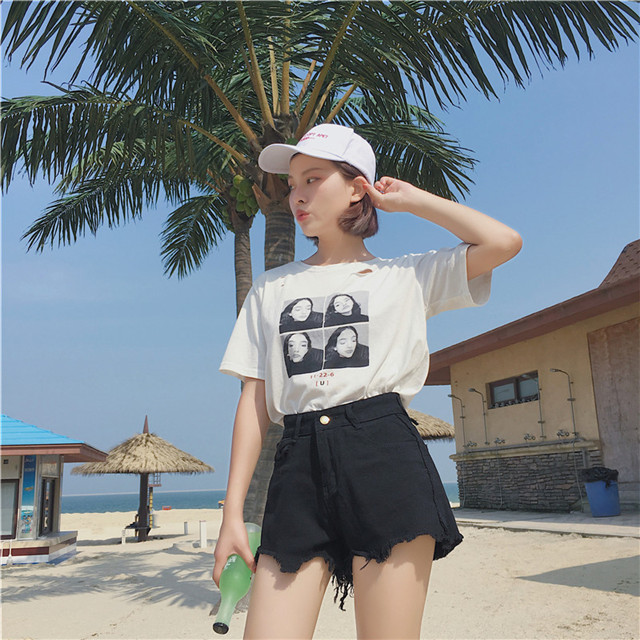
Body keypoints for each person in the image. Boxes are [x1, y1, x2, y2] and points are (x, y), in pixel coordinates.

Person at [214, 123, 522, 639]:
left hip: (384, 458)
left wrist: (410, 200)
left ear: (358, 187)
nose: (297, 196)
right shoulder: (270, 287)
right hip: (298, 464)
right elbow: (254, 402)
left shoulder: (406, 276)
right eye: (292, 184)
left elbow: (503, 241)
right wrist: (232, 516)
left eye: (313, 179)